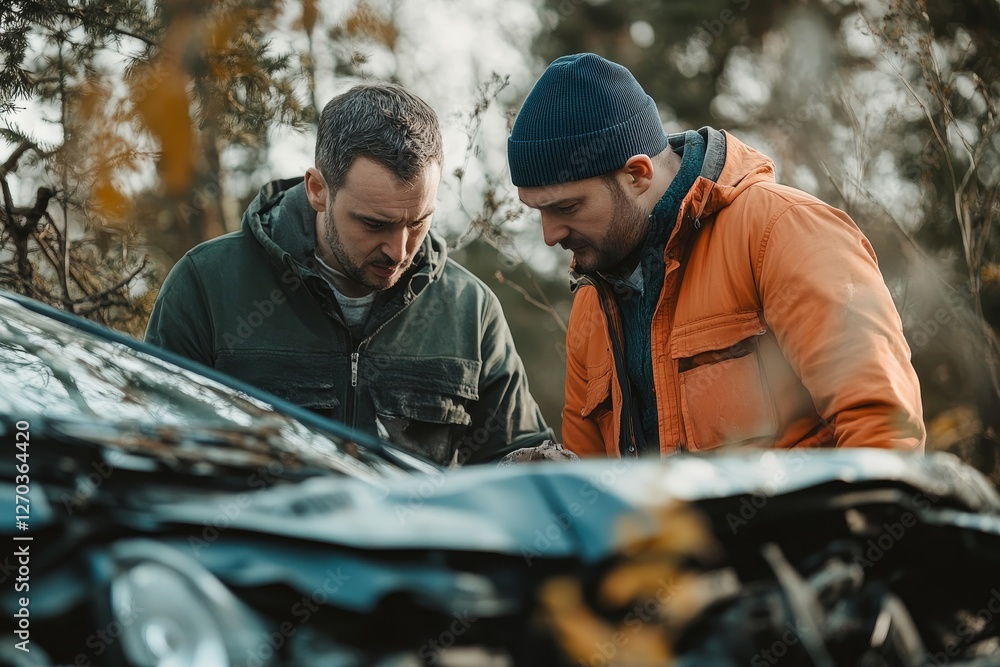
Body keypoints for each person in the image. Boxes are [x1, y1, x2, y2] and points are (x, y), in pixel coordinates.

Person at [507, 53, 925, 457]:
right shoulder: (592, 300)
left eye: (567, 207)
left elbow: (882, 425)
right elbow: (587, 486)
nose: (549, 235)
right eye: (537, 211)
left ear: (637, 174)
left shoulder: (783, 231)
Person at [146, 83, 555, 466]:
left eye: (417, 222)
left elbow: (522, 473)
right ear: (317, 190)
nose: (399, 251)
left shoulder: (472, 310)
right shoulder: (206, 285)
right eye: (375, 224)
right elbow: (152, 451)